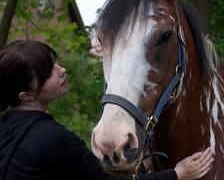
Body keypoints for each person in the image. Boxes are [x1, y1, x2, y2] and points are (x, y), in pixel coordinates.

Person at [0, 40, 213, 180]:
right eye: (48, 72)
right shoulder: (52, 138)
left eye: (55, 62)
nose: (62, 70)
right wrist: (177, 174)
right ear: (25, 95)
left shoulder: (8, 128)